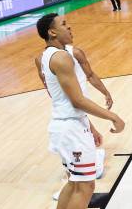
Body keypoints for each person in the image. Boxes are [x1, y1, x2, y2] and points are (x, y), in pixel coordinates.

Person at [34, 13, 124, 209]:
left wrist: (89, 125)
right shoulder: (62, 57)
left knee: (74, 183)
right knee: (85, 187)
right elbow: (77, 100)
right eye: (63, 24)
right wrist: (113, 116)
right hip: (71, 129)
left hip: (65, 125)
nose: (69, 26)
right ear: (52, 32)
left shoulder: (44, 56)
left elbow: (62, 99)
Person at [34, 35, 115, 199]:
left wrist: (105, 92)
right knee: (69, 149)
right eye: (64, 25)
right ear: (52, 32)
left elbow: (90, 75)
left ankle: (80, 176)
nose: (69, 30)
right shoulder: (42, 59)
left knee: (82, 162)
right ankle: (73, 178)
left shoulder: (75, 53)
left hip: (79, 104)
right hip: (70, 107)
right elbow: (47, 84)